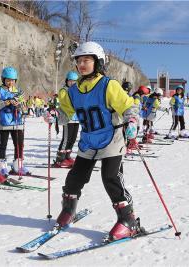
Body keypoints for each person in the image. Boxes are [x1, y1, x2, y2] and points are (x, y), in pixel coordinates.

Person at [45, 42, 141, 241]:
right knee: (75, 178)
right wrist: (55, 115)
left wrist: (131, 121)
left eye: (86, 60)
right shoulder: (73, 91)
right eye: (79, 61)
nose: (81, 64)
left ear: (97, 62)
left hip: (111, 139)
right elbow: (66, 114)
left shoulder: (109, 85)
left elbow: (128, 106)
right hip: (88, 141)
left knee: (110, 178)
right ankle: (68, 209)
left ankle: (128, 219)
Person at [0, 67, 29, 176]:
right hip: (3, 122)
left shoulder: (18, 91)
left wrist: (19, 105)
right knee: (3, 144)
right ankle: (1, 165)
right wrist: (4, 103)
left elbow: (24, 107)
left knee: (19, 144)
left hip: (17, 121)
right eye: (7, 80)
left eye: (12, 80)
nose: (10, 82)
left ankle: (18, 164)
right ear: (3, 79)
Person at [53, 71, 80, 168]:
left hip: (76, 118)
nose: (72, 83)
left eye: (74, 82)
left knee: (73, 139)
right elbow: (65, 102)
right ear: (67, 81)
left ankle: (67, 157)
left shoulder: (77, 91)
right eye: (70, 81)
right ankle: (60, 159)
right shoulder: (63, 90)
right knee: (66, 139)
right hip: (67, 118)